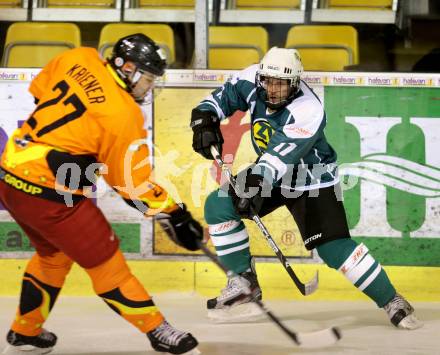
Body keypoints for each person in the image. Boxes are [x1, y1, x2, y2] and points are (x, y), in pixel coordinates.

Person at [190, 46, 423, 330]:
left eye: (281, 84)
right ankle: (243, 286)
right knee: (219, 205)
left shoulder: (308, 109)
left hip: (310, 177)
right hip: (269, 170)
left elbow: (278, 158)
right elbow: (223, 97)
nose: (272, 89)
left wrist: (254, 184)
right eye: (268, 82)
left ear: (295, 83)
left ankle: (392, 300)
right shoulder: (254, 78)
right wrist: (204, 117)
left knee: (333, 249)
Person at [0, 33, 202, 355]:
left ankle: (26, 332)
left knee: (54, 256)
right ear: (128, 68)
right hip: (51, 194)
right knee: (108, 265)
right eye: (148, 78)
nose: (149, 87)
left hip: (11, 176)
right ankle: (158, 330)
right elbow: (131, 185)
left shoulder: (79, 56)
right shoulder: (123, 115)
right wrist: (175, 215)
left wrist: (76, 141)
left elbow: (39, 91)